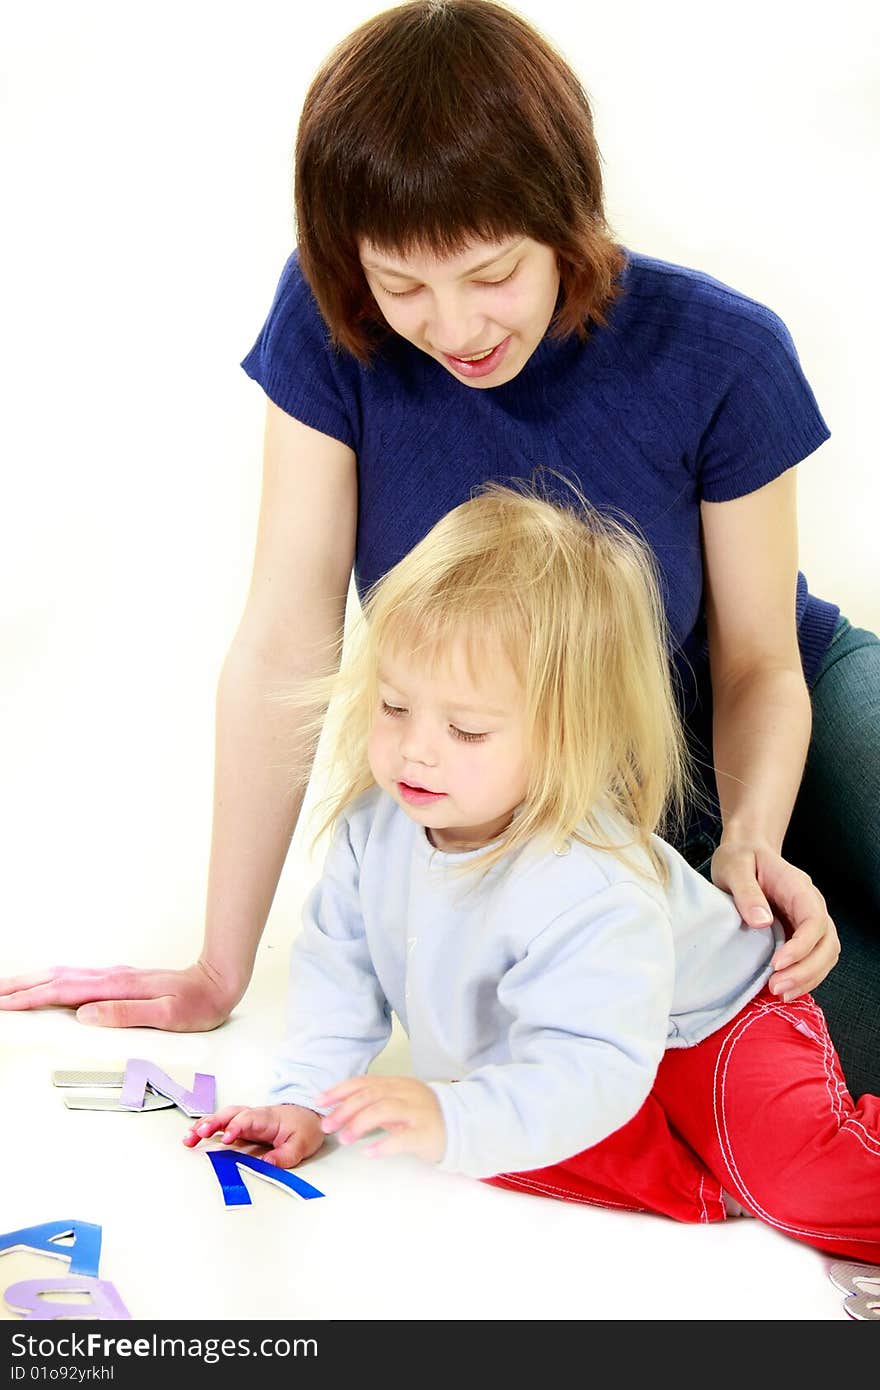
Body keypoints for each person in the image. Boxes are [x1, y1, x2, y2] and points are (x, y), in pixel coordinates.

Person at [1, 1, 877, 1098]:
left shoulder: (723, 351)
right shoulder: (329, 328)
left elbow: (759, 662)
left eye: (492, 273)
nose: (454, 328)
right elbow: (284, 637)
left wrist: (754, 837)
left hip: (776, 720)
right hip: (598, 821)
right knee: (828, 1060)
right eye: (403, 285)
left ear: (567, 218)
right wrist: (221, 965)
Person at [183, 486, 880, 1264]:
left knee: (804, 1187)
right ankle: (709, 1174)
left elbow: (595, 1065)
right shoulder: (375, 831)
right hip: (570, 1036)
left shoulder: (589, 880)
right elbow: (338, 975)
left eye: (465, 729)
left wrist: (459, 1119)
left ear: (562, 741)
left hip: (714, 1025)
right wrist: (302, 1100)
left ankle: (739, 1165)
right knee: (495, 1143)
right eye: (394, 705)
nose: (416, 749)